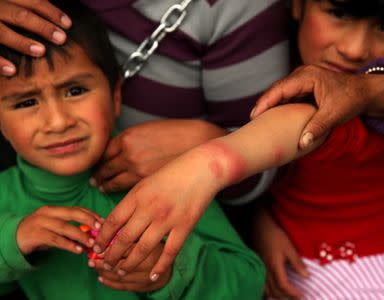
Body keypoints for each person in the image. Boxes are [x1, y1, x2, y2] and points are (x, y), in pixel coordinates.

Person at [85, 0, 384, 298]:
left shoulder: (377, 102)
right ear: (297, 5)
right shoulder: (270, 62)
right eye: (338, 13)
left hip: (375, 280)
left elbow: (297, 125)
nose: (355, 49)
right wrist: (263, 219)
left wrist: (206, 164)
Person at [0, 1, 266, 299]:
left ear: (115, 97)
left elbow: (248, 283)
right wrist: (14, 241)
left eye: (75, 91)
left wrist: (170, 270)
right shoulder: (5, 197)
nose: (58, 122)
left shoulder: (168, 182)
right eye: (26, 102)